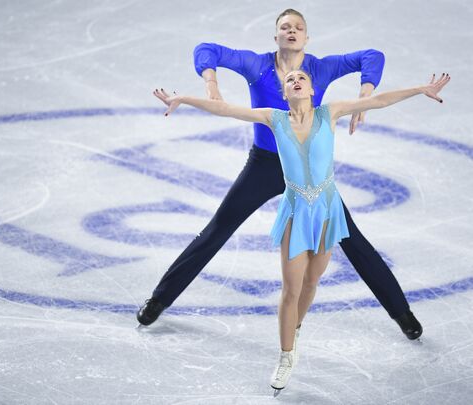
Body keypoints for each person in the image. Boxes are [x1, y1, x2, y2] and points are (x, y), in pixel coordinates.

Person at [153, 71, 450, 393]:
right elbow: (226, 109)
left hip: (327, 211)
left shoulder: (329, 112)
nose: (296, 80)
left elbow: (377, 100)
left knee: (311, 282)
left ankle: (295, 328)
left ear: (311, 89)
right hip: (296, 210)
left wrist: (420, 88)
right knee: (291, 289)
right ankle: (286, 356)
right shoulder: (274, 118)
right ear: (284, 93)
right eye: (290, 79)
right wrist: (182, 98)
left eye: (302, 78)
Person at [138, 8, 423, 341]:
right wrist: (211, 84)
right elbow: (207, 49)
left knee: (353, 240)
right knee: (217, 229)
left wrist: (365, 93)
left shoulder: (318, 68)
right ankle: (160, 299)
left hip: (307, 178)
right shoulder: (258, 65)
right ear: (276, 37)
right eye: (285, 27)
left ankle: (402, 313)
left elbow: (371, 55)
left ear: (306, 37)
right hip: (263, 166)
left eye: (298, 27)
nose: (292, 31)